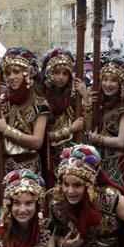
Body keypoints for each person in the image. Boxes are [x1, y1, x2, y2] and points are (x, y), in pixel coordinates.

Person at [0, 47, 48, 176]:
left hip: (27, 168)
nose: (11, 77)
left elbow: (37, 142)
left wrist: (6, 129)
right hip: (0, 166)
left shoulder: (40, 104)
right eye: (8, 73)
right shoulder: (1, 100)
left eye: (16, 72)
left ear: (27, 73)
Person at [85, 55, 124, 189]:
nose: (107, 84)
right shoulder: (100, 102)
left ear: (122, 84)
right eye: (105, 79)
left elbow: (121, 141)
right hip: (98, 162)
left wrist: (98, 139)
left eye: (113, 80)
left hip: (118, 165)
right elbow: (90, 129)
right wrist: (88, 106)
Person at [42, 49, 87, 185]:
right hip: (47, 155)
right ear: (49, 74)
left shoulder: (73, 97)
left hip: (71, 154)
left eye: (65, 74)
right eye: (56, 73)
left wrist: (85, 97)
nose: (61, 77)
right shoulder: (41, 98)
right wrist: (70, 129)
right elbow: (42, 137)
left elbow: (88, 125)